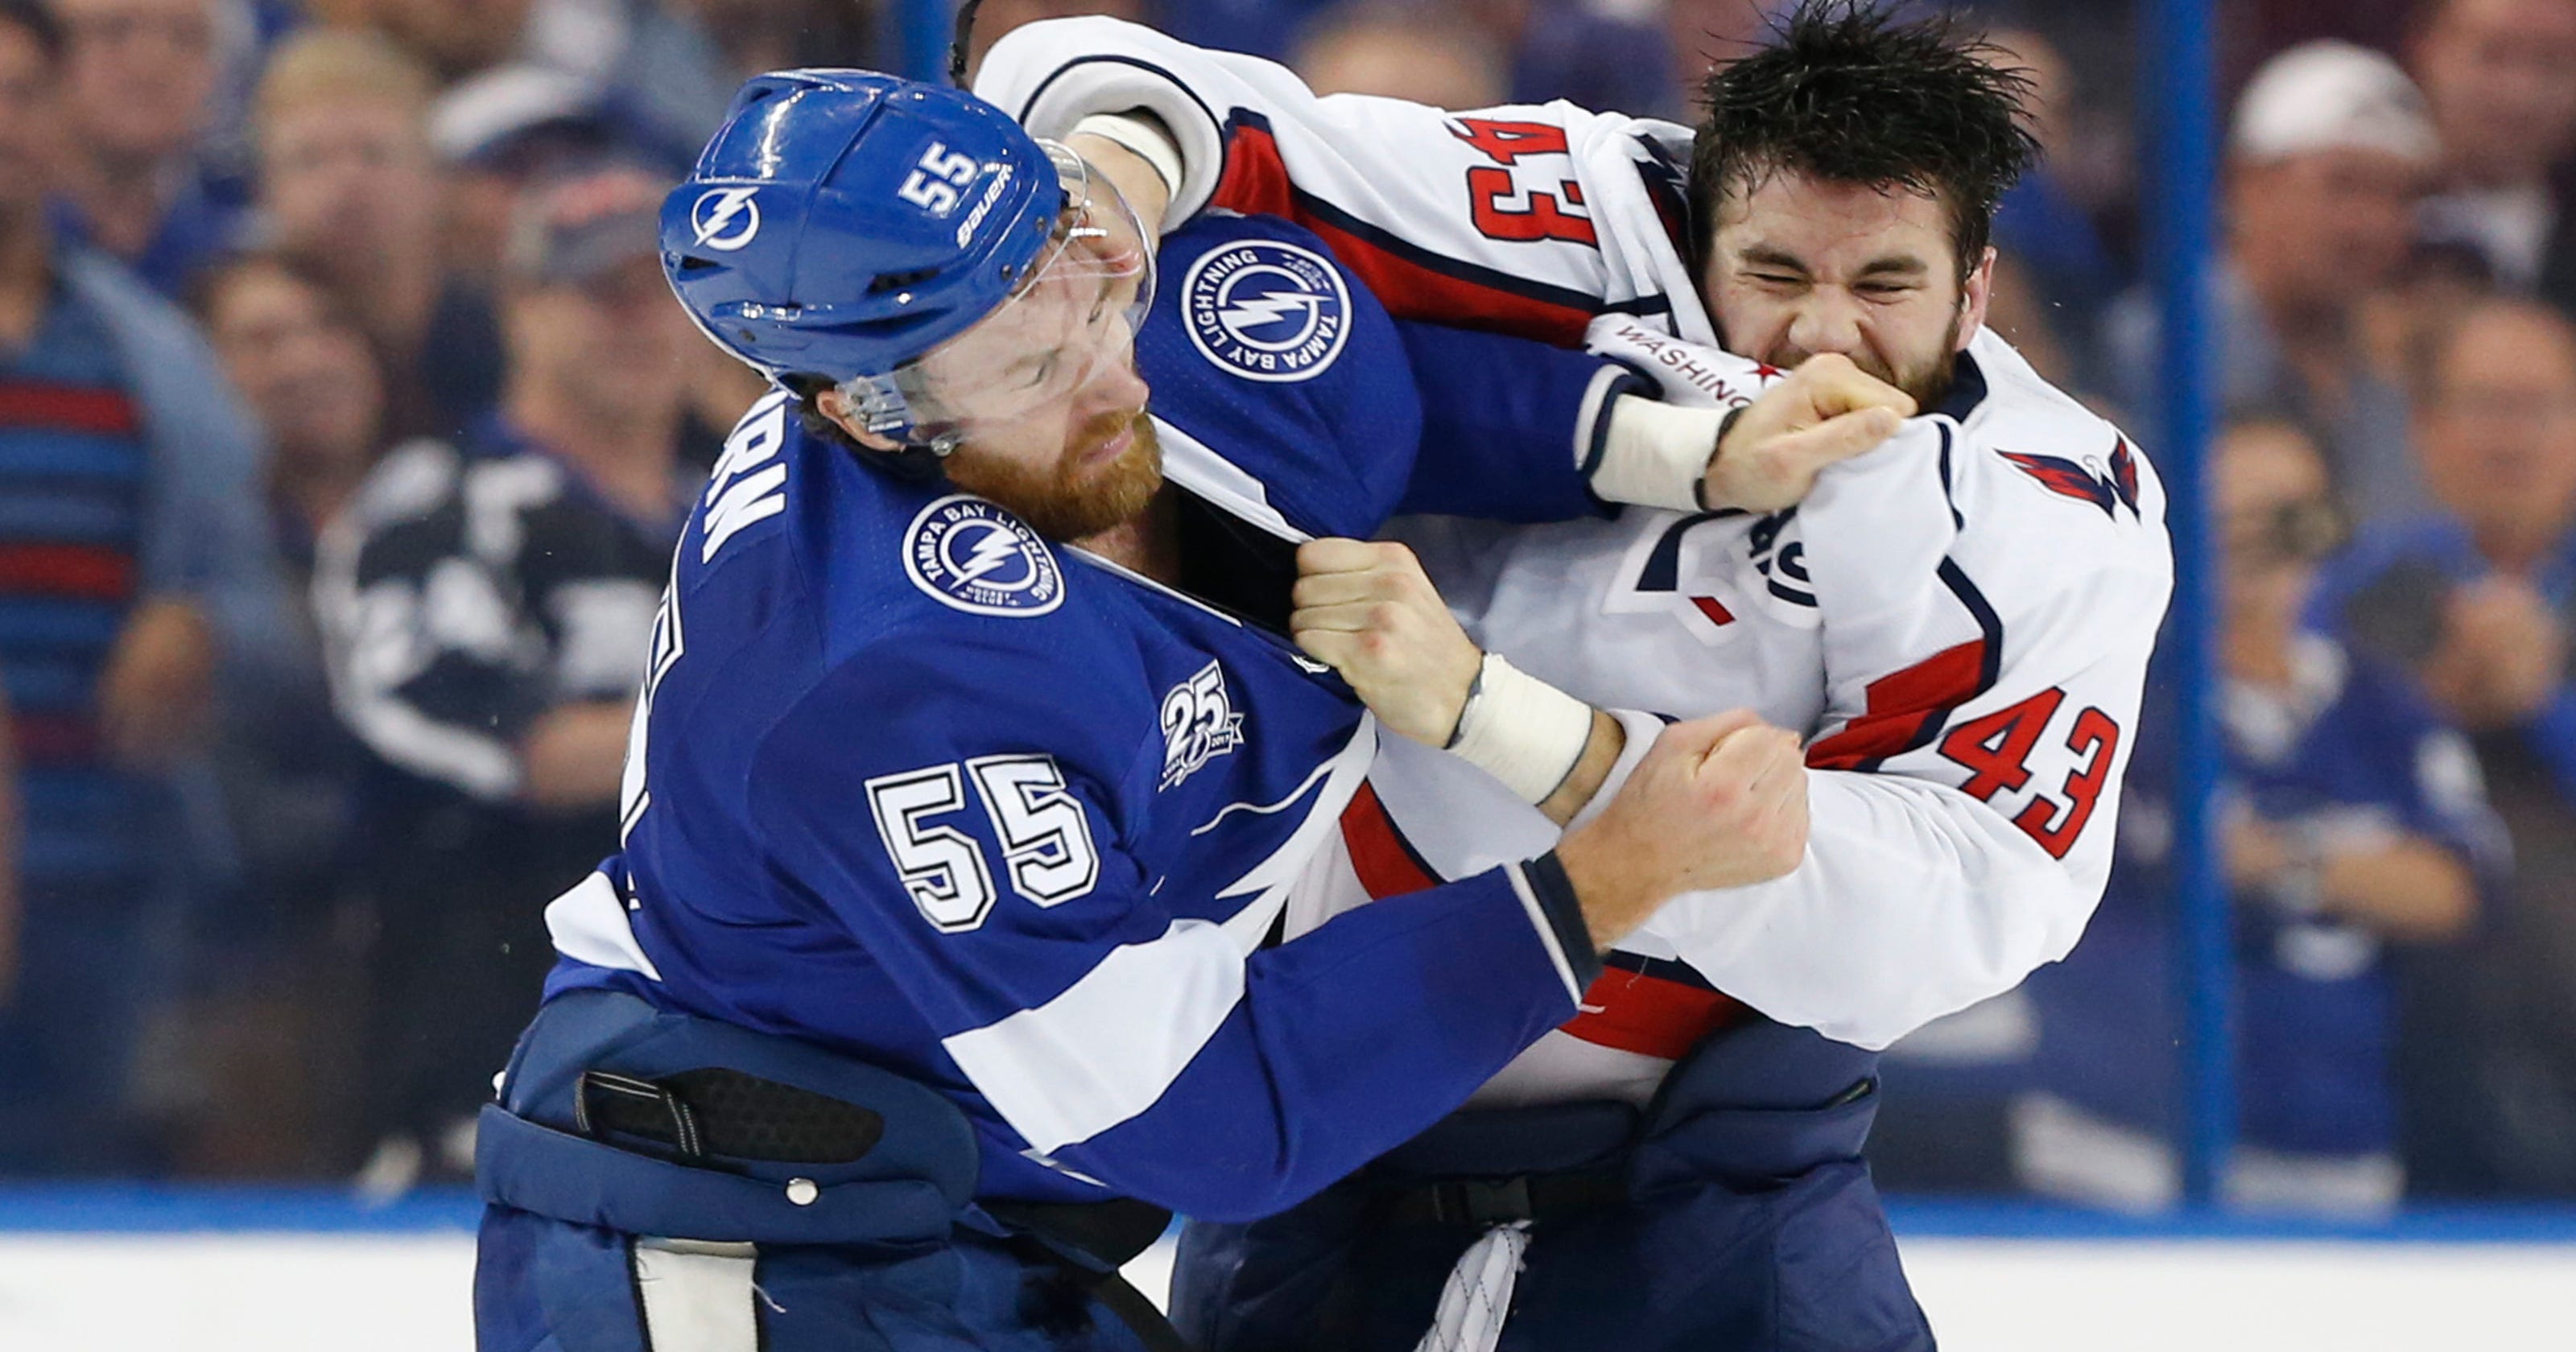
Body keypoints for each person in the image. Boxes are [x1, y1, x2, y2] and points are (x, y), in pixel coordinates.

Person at [471, 68, 1909, 1350]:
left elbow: (1358, 377)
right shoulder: (883, 680)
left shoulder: (1106, 320)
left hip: (960, 1220)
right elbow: (1204, 1114)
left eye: (1089, 292)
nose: (1115, 376)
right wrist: (1609, 873)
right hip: (739, 1240)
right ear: (865, 412)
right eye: (1032, 366)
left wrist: (1693, 450)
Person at [976, 4, 2172, 1346]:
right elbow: (1079, 79)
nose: (1822, 337)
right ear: (1690, 226)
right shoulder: (1580, 213)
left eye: (1885, 284)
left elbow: (1946, 919)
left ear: (1977, 289)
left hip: (1697, 1219)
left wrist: (1505, 722)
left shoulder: (2041, 511)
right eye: (1774, 272)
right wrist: (1110, 220)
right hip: (1318, 1172)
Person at [314, 165, 708, 1192]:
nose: (639, 322)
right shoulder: (436, 505)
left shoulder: (753, 508)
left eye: (665, 289)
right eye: (601, 291)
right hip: (486, 1064)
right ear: (520, 310)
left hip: (731, 1081)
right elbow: (503, 739)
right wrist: (759, 743)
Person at [2018, 418, 2494, 1217]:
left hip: (2329, 1149)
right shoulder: (2118, 692)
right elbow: (2145, 857)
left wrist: (2281, 857)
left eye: (2290, 522)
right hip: (2119, 1149)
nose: (2261, 558)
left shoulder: (2381, 710)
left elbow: (2457, 887)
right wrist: (2356, 868)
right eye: (2231, 525)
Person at [0, 0, 283, 1175]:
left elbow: (270, 603)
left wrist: (203, 622)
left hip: (110, 877)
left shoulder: (156, 354)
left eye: (20, 96)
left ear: (67, 119)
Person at [2308, 296, 2576, 1195]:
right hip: (2412, 1046)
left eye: (2538, 407)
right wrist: (2426, 710)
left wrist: (2539, 709)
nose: (2511, 437)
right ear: (2423, 427)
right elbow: (2296, 766)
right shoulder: (2354, 592)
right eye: (2482, 406)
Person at [2103, 39, 2434, 527]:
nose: (2370, 225)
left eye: (2397, 199)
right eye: (2344, 186)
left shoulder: (2402, 370)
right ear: (2249, 184)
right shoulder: (2158, 345)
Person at [250, 28, 503, 443]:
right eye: (310, 160)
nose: (347, 181)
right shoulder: (230, 338)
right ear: (265, 191)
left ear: (435, 181)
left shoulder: (500, 335)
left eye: (374, 154)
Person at [47, 0, 242, 297]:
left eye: (185, 36)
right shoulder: (17, 246)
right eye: (114, 31)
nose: (152, 61)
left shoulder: (235, 257)